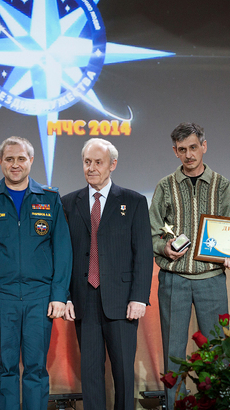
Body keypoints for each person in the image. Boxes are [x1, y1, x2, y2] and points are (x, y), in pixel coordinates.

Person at [0, 136, 72, 410]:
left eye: (21, 159)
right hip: (1, 297)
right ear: (0, 161)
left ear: (31, 161)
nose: (15, 164)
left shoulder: (49, 198)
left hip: (40, 296)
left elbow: (62, 250)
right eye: (9, 159)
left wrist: (59, 295)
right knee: (6, 368)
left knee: (36, 368)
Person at [149, 122, 230, 408]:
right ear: (174, 151)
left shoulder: (222, 185)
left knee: (217, 350)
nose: (188, 155)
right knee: (173, 352)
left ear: (204, 146)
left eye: (193, 147)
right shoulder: (165, 186)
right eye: (182, 150)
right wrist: (164, 247)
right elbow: (151, 232)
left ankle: (216, 404)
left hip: (211, 277)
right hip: (173, 279)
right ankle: (174, 405)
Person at [61, 138, 153, 410]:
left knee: (123, 372)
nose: (91, 168)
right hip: (83, 300)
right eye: (87, 162)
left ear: (112, 165)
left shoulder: (134, 201)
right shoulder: (68, 203)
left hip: (122, 301)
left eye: (98, 162)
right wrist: (65, 296)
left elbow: (143, 253)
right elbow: (62, 256)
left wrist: (139, 297)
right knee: (90, 374)